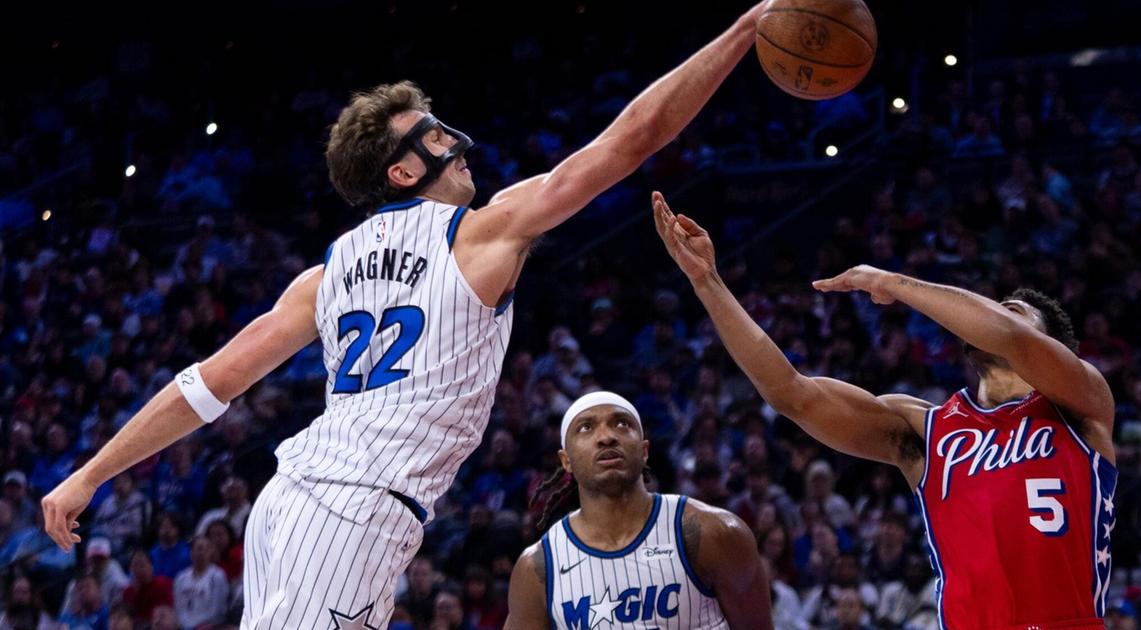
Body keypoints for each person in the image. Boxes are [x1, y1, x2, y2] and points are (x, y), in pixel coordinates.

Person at [40, 3, 770, 627]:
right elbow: (629, 140)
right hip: (349, 515)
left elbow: (204, 386)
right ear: (401, 171)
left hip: (298, 506)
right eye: (433, 135)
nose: (453, 142)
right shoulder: (481, 233)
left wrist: (89, 475)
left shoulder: (321, 278)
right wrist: (747, 26)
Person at [652, 192, 1118, 628]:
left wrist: (890, 282)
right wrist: (706, 282)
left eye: (1011, 310)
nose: (991, 317)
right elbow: (791, 393)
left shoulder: (1079, 403)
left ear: (1052, 346)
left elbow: (1010, 337)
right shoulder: (926, 428)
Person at [504, 392, 772, 629]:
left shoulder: (714, 533)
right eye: (586, 427)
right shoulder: (538, 568)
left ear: (644, 451)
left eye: (622, 423)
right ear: (566, 461)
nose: (606, 437)